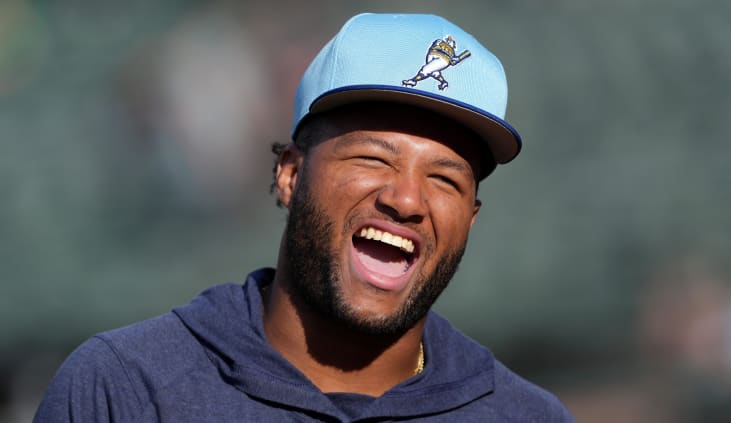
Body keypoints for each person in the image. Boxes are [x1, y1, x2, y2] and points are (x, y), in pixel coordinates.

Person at [34, 13, 575, 422]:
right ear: (290, 175)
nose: (408, 200)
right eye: (373, 157)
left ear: (471, 219)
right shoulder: (125, 388)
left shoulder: (526, 415)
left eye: (444, 179)